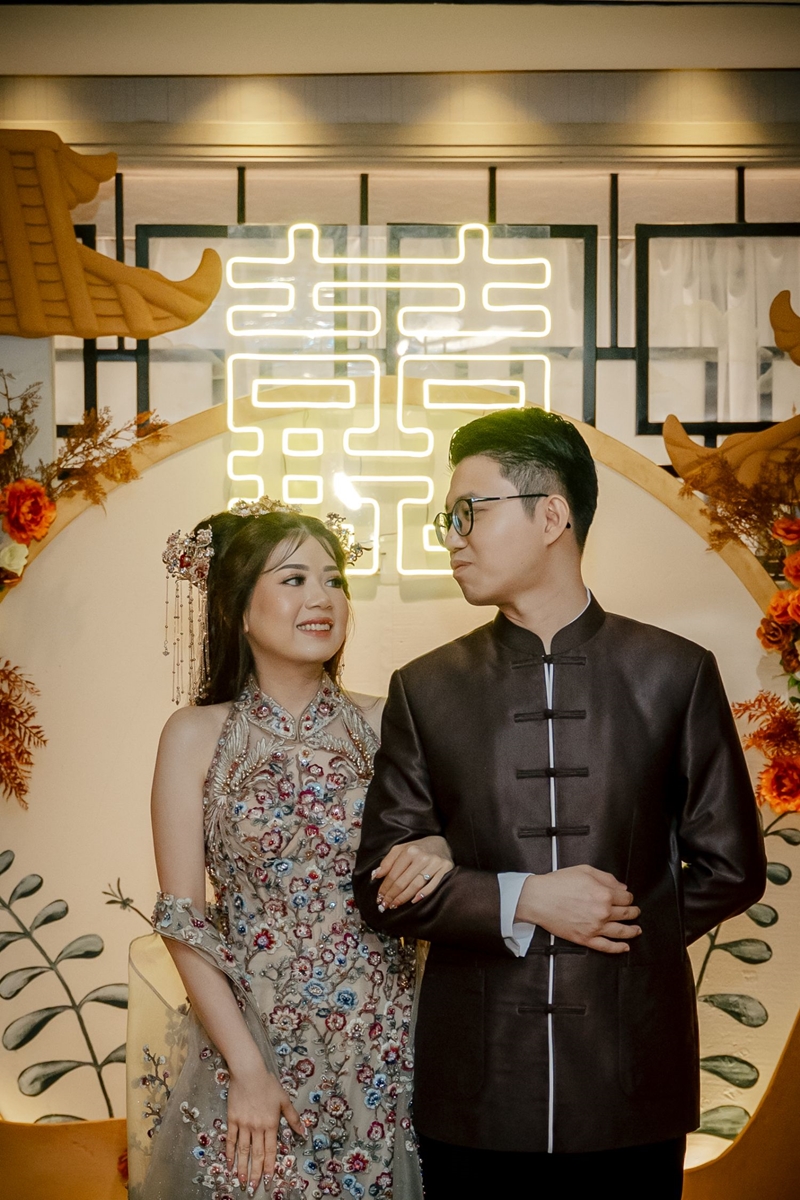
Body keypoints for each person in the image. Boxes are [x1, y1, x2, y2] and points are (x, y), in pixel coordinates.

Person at [352, 407, 767, 1200]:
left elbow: (732, 867)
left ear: (552, 516)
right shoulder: (426, 689)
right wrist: (525, 900)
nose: (452, 538)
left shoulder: (674, 672)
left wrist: (615, 930)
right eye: (447, 520)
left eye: (469, 512)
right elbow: (382, 885)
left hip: (630, 1077)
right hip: (476, 1088)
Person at [127, 501, 451, 1200]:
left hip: (386, 1041)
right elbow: (183, 919)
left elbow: (456, 843)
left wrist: (437, 845)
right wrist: (247, 1070)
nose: (322, 598)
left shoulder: (388, 720)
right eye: (295, 579)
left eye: (334, 580)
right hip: (252, 1041)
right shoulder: (194, 736)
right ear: (239, 610)